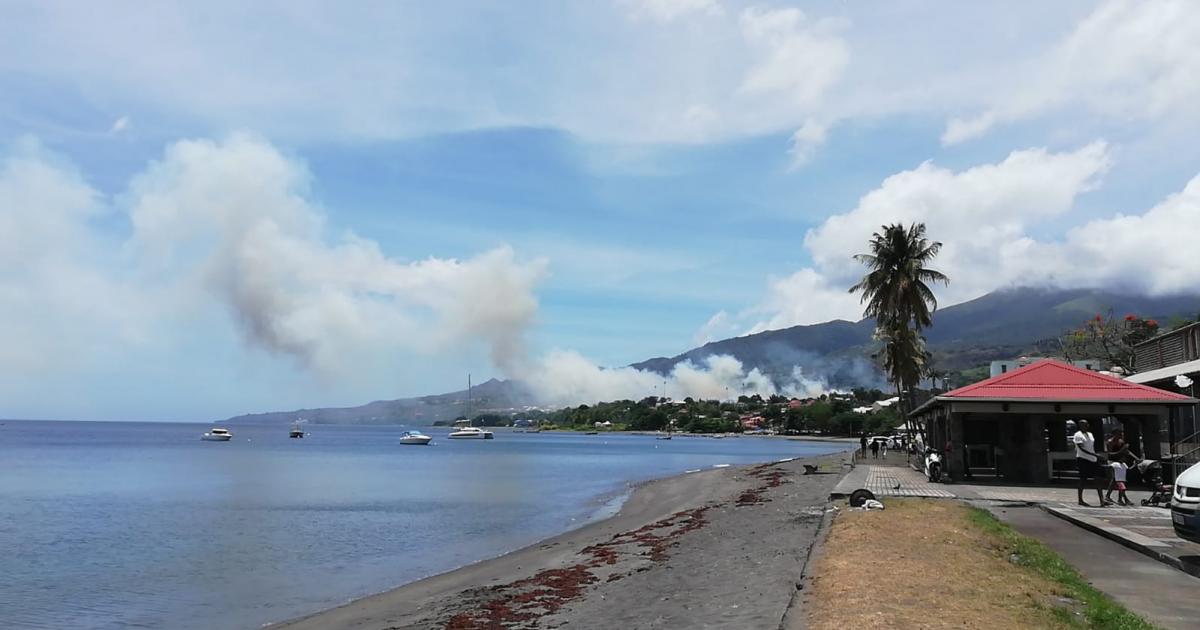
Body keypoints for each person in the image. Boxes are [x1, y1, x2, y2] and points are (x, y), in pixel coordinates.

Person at [1073, 419, 1106, 507]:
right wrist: (1095, 454)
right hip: (1083, 459)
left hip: (1093, 460)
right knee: (1083, 480)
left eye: (1087, 424)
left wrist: (1095, 455)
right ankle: (1080, 499)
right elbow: (1081, 448)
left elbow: (1091, 446)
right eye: (1084, 424)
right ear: (1080, 425)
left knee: (1098, 479)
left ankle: (1102, 500)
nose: (1087, 426)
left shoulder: (1090, 434)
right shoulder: (1078, 435)